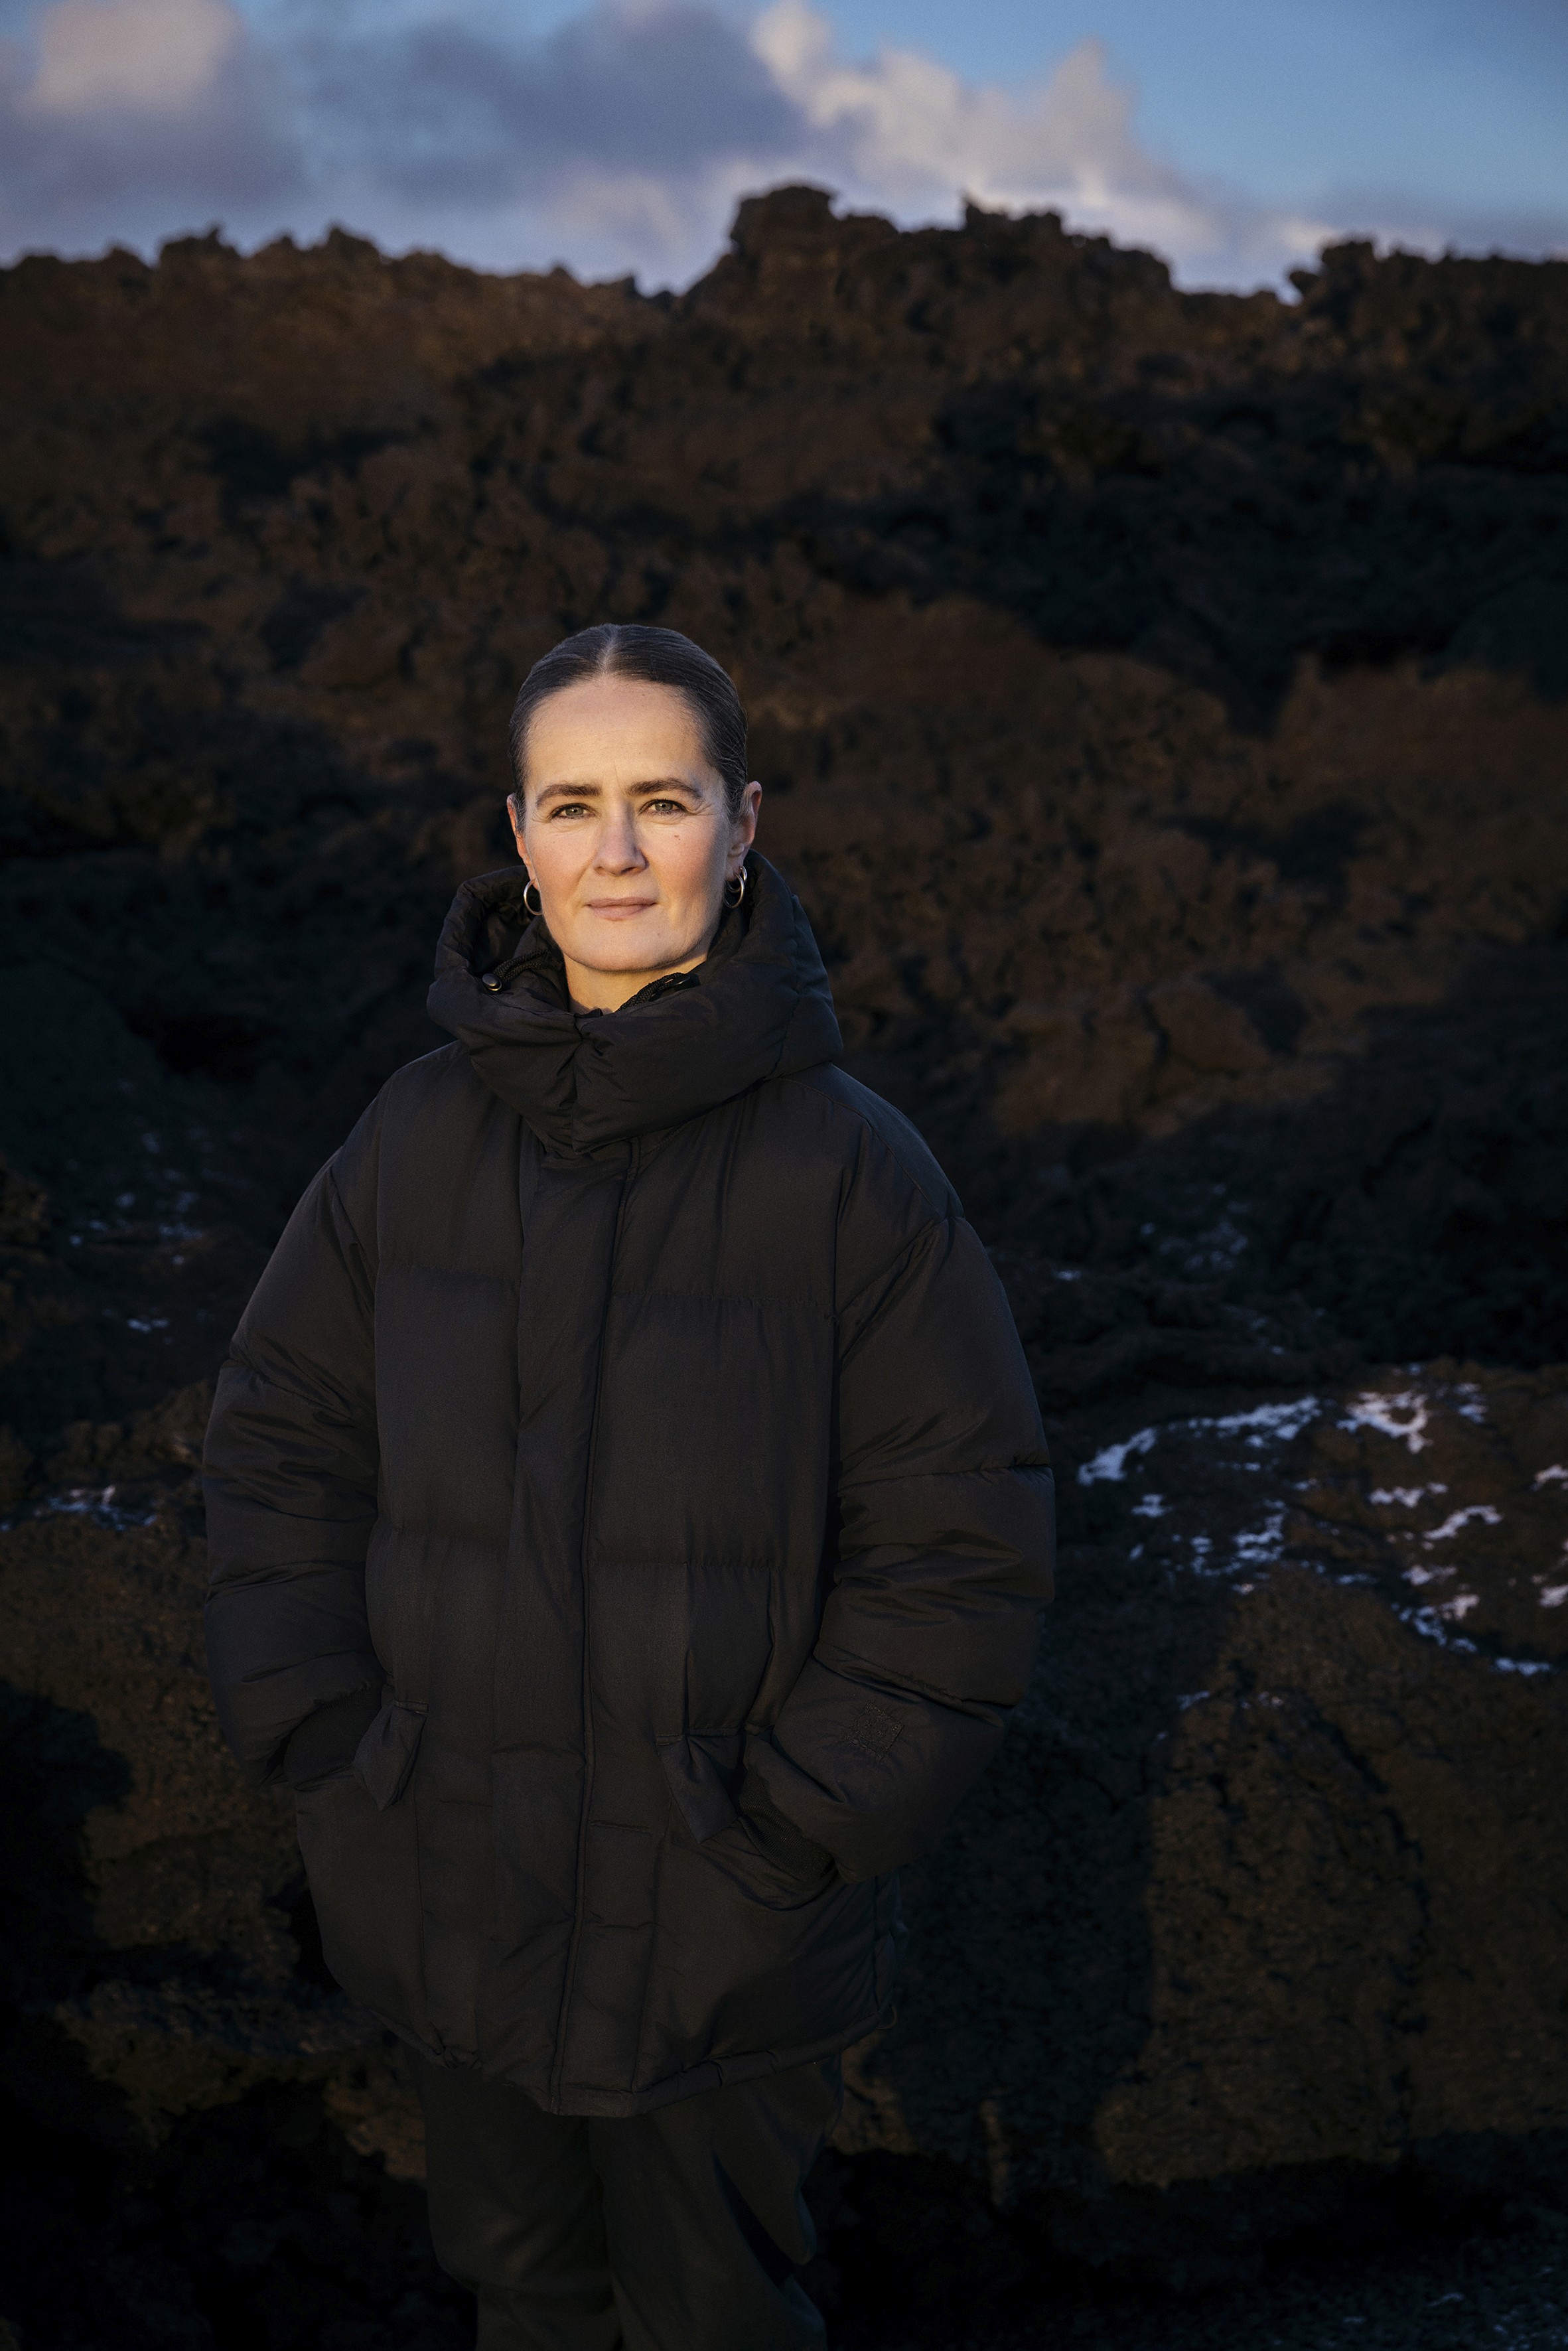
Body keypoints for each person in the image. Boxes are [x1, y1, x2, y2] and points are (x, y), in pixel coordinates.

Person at [202, 623, 1055, 2350]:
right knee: (517, 2293)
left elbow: (959, 1541)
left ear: (744, 825)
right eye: (570, 803)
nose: (612, 851)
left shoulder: (852, 1175)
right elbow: (280, 1433)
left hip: (720, 1929)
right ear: (512, 833)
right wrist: (326, 1739)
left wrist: (795, 1825)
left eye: (658, 801)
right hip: (444, 1883)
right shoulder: (411, 1138)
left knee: (710, 2314)